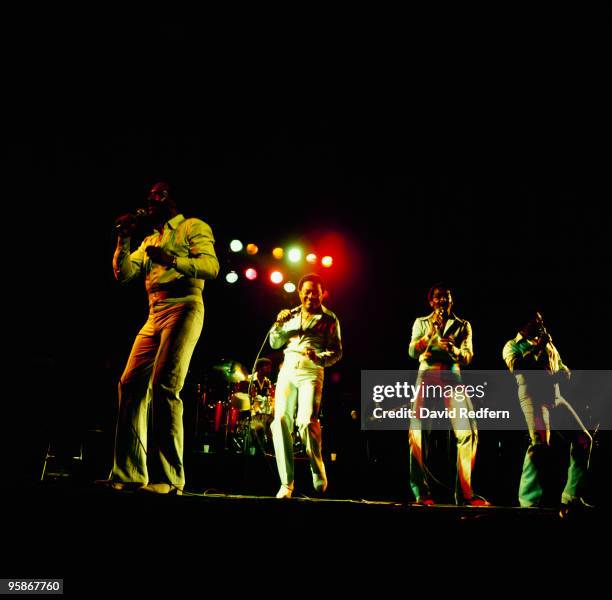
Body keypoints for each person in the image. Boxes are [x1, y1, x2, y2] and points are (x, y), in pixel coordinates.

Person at [106, 181, 219, 494]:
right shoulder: (151, 238)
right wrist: (123, 239)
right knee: (129, 384)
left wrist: (173, 260)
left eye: (160, 194)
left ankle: (169, 479)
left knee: (165, 385)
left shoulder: (192, 227)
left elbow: (211, 267)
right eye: (150, 194)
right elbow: (125, 274)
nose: (152, 199)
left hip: (184, 305)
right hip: (154, 312)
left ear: (175, 201)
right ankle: (129, 473)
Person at [502, 312, 592, 515]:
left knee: (583, 439)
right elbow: (517, 367)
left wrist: (564, 371)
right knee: (540, 445)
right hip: (533, 396)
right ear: (524, 322)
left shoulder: (548, 343)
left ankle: (572, 497)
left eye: (541, 320)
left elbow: (561, 366)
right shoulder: (512, 345)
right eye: (536, 319)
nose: (541, 323)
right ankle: (528, 502)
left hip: (555, 396)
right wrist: (539, 347)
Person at [408, 284, 489, 506]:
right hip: (427, 374)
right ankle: (421, 492)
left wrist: (453, 350)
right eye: (438, 297)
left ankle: (464, 493)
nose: (442, 301)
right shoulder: (421, 322)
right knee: (417, 433)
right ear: (431, 301)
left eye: (446, 297)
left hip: (453, 377)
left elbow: (468, 356)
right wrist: (430, 336)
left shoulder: (463, 325)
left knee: (468, 432)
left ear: (451, 301)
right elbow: (412, 351)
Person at [269, 273, 342, 498]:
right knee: (280, 419)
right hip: (288, 368)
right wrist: (278, 325)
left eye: (315, 292)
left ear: (322, 294)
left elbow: (337, 351)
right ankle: (286, 483)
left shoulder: (330, 319)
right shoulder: (289, 315)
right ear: (300, 293)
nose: (311, 295)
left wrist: (319, 357)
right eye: (307, 291)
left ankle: (316, 466)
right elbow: (274, 342)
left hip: (311, 370)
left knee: (306, 421)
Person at [247, 358, 275, 454]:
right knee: (258, 430)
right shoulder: (249, 379)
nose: (269, 369)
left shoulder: (268, 382)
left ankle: (268, 451)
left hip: (264, 414)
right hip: (251, 412)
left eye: (270, 367)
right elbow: (248, 399)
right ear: (259, 368)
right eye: (266, 366)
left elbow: (270, 398)